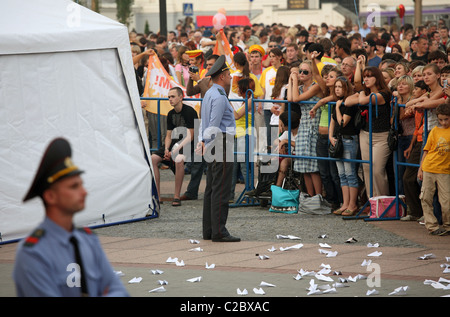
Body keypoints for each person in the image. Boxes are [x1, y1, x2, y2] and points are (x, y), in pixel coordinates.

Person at [13, 138, 129, 297]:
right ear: (50, 196)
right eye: (74, 186)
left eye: (81, 184)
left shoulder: (88, 240)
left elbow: (117, 290)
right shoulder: (33, 253)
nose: (84, 192)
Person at [197, 55, 240, 242]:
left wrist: (202, 142)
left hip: (212, 142)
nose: (231, 77)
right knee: (221, 188)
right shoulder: (220, 97)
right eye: (229, 74)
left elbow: (203, 122)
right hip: (221, 142)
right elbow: (213, 124)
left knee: (212, 188)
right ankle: (219, 232)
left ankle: (209, 230)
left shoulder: (209, 93)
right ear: (221, 76)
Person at [345, 66, 392, 199]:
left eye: (369, 76)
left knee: (377, 169)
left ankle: (383, 201)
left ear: (377, 78)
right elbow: (348, 101)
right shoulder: (365, 93)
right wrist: (361, 92)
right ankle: (372, 201)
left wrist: (360, 92)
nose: (366, 79)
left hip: (382, 136)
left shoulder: (384, 93)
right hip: (365, 134)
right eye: (364, 76)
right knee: (366, 168)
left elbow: (363, 101)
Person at [151, 87, 198, 206]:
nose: (170, 99)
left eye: (172, 96)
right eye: (169, 97)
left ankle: (176, 196)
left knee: (178, 159)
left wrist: (174, 150)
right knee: (153, 159)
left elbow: (190, 136)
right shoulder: (170, 113)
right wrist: (167, 149)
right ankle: (158, 196)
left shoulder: (190, 111)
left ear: (181, 97)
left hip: (188, 143)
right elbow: (168, 135)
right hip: (174, 143)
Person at [288, 60, 323, 197]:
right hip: (304, 127)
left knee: (313, 166)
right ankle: (309, 196)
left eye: (305, 72)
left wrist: (295, 80)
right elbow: (290, 98)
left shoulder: (316, 86)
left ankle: (318, 197)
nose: (301, 74)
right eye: (300, 71)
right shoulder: (301, 88)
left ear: (311, 74)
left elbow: (295, 99)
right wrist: (291, 81)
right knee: (304, 165)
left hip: (314, 126)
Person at [329, 77, 359, 216]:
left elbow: (342, 122)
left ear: (346, 88)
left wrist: (336, 107)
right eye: (336, 86)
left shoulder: (349, 103)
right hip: (338, 140)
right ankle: (345, 204)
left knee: (350, 174)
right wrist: (330, 136)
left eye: (340, 86)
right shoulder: (339, 102)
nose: (337, 89)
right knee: (342, 175)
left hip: (348, 140)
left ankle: (352, 205)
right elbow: (332, 121)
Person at [418, 103, 450, 236]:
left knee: (446, 200)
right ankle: (432, 225)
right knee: (426, 197)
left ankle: (448, 225)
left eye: (446, 119)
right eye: (441, 119)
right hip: (429, 167)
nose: (443, 122)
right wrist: (421, 168)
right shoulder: (435, 131)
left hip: (444, 170)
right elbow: (426, 151)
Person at [401, 80, 428, 221]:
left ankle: (426, 213)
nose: (413, 91)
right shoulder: (416, 103)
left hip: (427, 140)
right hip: (417, 141)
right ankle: (415, 211)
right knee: (408, 177)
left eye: (416, 88)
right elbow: (416, 128)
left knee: (421, 179)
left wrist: (414, 104)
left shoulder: (426, 99)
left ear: (423, 91)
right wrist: (411, 146)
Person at [260, 48, 284, 151]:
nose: (272, 59)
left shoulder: (284, 70)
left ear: (279, 57)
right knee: (269, 133)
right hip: (267, 107)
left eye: (274, 56)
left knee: (280, 132)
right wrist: (261, 103)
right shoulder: (266, 71)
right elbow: (263, 88)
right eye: (270, 56)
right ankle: (270, 156)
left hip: (281, 107)